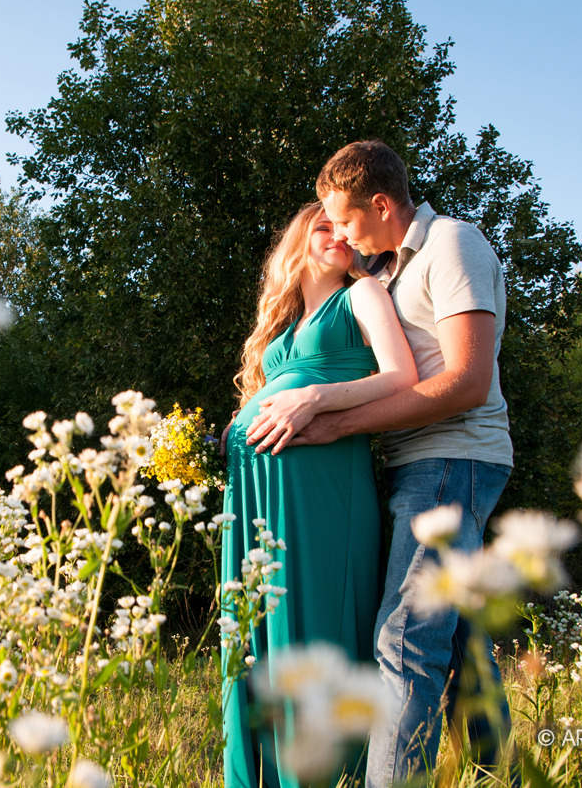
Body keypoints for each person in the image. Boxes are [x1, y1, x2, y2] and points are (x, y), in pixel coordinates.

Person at [247, 140, 515, 786]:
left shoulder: (452, 244)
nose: (336, 231)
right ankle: (498, 772)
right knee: (460, 645)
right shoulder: (388, 273)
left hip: (453, 457)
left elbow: (467, 381)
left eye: (343, 218)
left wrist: (332, 421)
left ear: (382, 204)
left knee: (403, 641)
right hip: (413, 462)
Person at [221, 201, 416, 788]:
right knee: (256, 621)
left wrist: (315, 399)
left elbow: (401, 376)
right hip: (256, 487)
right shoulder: (280, 327)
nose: (338, 235)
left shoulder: (363, 294)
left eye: (343, 226)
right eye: (322, 227)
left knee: (315, 608)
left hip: (322, 481)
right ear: (299, 241)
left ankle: (320, 773)